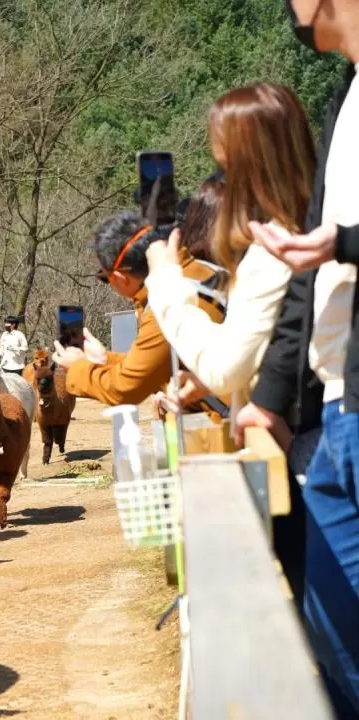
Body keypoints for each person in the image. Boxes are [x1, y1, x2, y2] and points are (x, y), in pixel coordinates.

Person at [233, 3, 359, 714]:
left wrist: (344, 243)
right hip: (335, 407)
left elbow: (327, 248)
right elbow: (310, 271)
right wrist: (272, 398)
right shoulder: (344, 98)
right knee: (333, 645)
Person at [144, 84, 315, 410]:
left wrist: (165, 281)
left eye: (226, 170)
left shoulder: (277, 247)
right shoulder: (318, 229)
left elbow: (225, 368)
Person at [54, 211, 226, 407]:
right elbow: (154, 364)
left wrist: (78, 368)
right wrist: (105, 359)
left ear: (120, 278)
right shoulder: (200, 271)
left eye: (106, 278)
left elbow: (124, 389)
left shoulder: (166, 303)